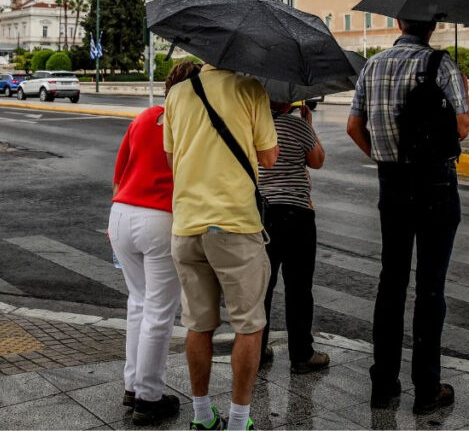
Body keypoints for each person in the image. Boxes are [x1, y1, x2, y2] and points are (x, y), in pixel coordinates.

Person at [346, 18, 469, 415]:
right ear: (432, 25)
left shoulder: (373, 64)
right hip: (435, 184)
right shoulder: (442, 65)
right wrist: (462, 91)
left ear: (399, 22)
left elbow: (353, 126)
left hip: (393, 184)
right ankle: (427, 388)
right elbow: (463, 128)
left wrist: (382, 158)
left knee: (391, 282)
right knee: (430, 287)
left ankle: (383, 384)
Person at [164, 63, 278, 431]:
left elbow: (171, 159)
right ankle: (239, 421)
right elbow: (269, 157)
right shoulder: (250, 88)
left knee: (198, 325)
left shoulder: (177, 93)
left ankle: (201, 416)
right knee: (249, 326)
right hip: (234, 224)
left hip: (186, 225)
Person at [109, 60, 199, 426]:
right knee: (160, 312)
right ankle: (148, 396)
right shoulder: (190, 125)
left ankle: (133, 385)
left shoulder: (144, 118)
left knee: (138, 304)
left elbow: (119, 175)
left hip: (121, 215)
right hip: (159, 218)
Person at [258, 101, 328, 374]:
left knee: (263, 286)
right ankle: (301, 354)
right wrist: (309, 125)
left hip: (263, 215)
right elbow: (318, 160)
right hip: (297, 214)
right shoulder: (297, 125)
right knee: (299, 287)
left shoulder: (255, 126)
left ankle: (258, 347)